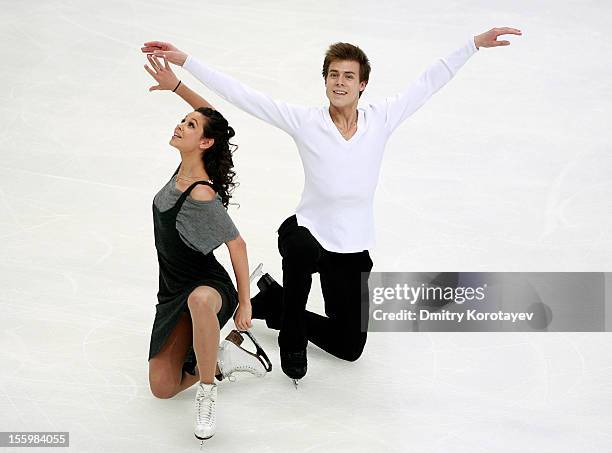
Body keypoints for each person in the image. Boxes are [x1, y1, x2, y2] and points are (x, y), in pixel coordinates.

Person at [141, 27, 522, 385]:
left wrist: (472, 44)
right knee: (301, 246)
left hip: (351, 245)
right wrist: (185, 62)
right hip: (306, 232)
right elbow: (245, 95)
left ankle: (276, 304)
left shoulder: (382, 119)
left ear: (362, 84)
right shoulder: (306, 122)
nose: (340, 82)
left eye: (348, 76)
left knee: (349, 347)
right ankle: (292, 338)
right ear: (325, 80)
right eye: (333, 75)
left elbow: (428, 82)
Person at [144, 55, 270, 442]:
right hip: (172, 293)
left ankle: (207, 391)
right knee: (162, 387)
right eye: (184, 120)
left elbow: (237, 244)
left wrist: (245, 304)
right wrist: (176, 87)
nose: (181, 124)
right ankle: (219, 360)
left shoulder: (201, 192)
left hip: (209, 290)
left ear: (205, 142)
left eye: (190, 125)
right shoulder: (185, 167)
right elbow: (215, 118)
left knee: (200, 300)